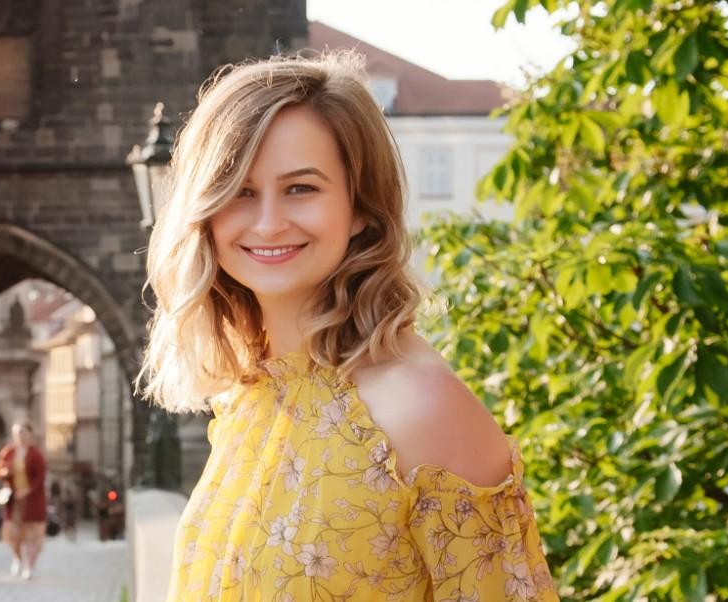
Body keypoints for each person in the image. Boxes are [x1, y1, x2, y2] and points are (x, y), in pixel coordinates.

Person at [142, 51, 560, 601]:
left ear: (361, 207)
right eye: (239, 191)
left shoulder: (420, 405)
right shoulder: (251, 397)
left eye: (302, 188)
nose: (268, 222)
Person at [0, 421, 47, 580]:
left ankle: (30, 565)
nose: (21, 437)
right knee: (13, 533)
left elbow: (40, 476)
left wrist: (28, 490)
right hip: (14, 499)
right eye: (17, 433)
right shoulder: (8, 452)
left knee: (32, 534)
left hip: (32, 499)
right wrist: (5, 472)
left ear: (30, 435)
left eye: (23, 433)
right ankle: (17, 558)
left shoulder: (36, 455)